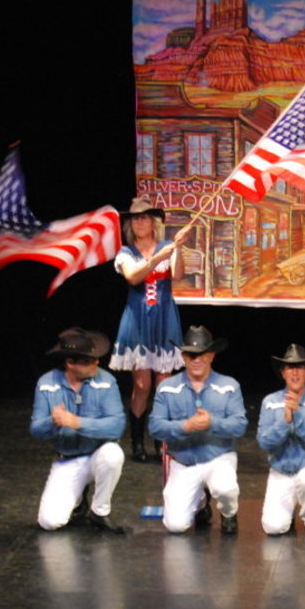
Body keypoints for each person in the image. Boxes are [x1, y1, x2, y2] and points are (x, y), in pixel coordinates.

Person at [110, 197, 191, 463]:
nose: (140, 222)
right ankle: (137, 442)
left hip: (164, 318)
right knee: (142, 385)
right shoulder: (126, 253)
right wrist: (156, 259)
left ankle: (161, 441)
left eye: (144, 217)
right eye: (135, 218)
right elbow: (133, 277)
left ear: (153, 222)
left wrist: (178, 248)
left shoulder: (167, 247)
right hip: (138, 319)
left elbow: (178, 275)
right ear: (130, 224)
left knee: (164, 384)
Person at [148, 325, 247, 534]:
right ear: (183, 357)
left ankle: (228, 512)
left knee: (225, 488)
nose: (196, 360)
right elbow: (155, 427)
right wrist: (185, 426)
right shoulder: (167, 387)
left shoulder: (230, 385)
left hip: (218, 457)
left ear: (212, 356)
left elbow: (239, 426)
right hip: (184, 461)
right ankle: (201, 502)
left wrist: (213, 423)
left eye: (202, 354)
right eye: (191, 355)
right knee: (176, 525)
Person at [30, 328, 126, 532]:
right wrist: (52, 422)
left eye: (95, 359)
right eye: (88, 361)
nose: (96, 363)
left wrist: (78, 423)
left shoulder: (106, 381)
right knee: (50, 522)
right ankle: (79, 499)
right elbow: (35, 429)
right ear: (70, 363)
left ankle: (99, 512)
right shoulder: (47, 383)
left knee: (113, 455)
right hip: (68, 458)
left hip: (98, 454)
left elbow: (117, 425)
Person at [256, 344, 305, 537]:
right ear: (283, 373)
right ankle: (289, 510)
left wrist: (298, 416)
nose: (295, 372)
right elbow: (264, 441)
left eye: (300, 367)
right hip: (282, 471)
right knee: (273, 527)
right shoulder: (270, 401)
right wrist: (285, 422)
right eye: (290, 367)